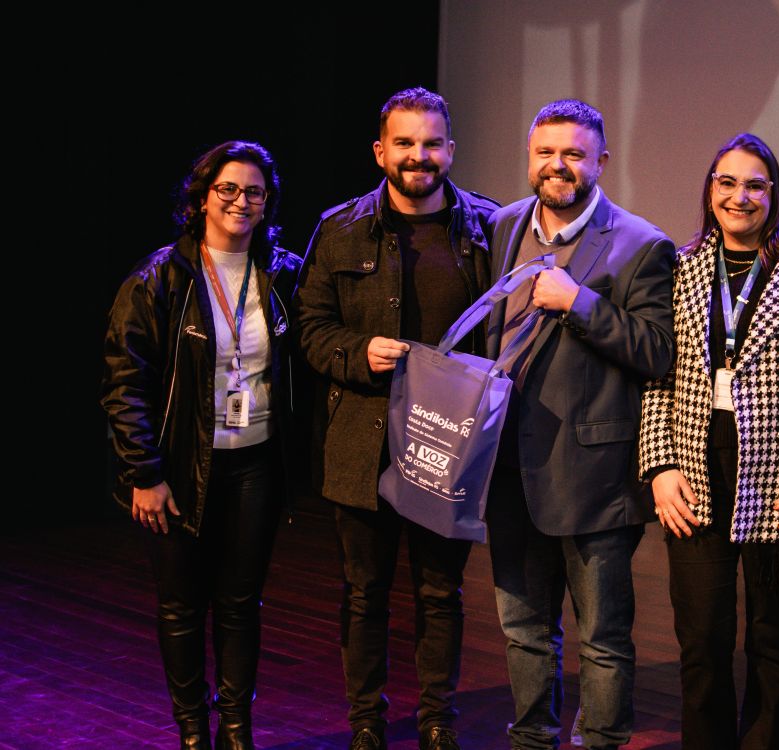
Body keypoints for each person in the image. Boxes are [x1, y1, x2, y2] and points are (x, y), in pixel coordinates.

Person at [294, 87, 496, 750]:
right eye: (404, 143)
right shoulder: (339, 228)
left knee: (440, 593)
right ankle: (366, 720)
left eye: (431, 143)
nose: (419, 156)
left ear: (450, 150)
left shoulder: (487, 231)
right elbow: (311, 329)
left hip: (448, 446)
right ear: (381, 150)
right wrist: (358, 353)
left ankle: (437, 718)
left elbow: (506, 335)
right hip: (364, 442)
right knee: (364, 594)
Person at [638, 133, 779, 749]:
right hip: (697, 470)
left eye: (754, 184)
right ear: (710, 191)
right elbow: (659, 376)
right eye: (726, 183)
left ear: (774, 193)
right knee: (701, 641)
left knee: (774, 641)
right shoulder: (679, 268)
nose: (740, 196)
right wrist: (659, 467)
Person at [484, 99, 674, 750]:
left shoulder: (641, 244)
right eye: (544, 152)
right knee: (523, 629)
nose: (556, 165)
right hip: (507, 471)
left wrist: (581, 304)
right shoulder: (505, 226)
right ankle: (531, 740)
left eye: (572, 153)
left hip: (594, 478)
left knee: (602, 639)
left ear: (600, 161)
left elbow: (656, 350)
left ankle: (599, 742)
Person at [102, 141, 300, 750]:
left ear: (268, 203)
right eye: (228, 190)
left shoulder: (285, 273)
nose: (242, 201)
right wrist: (143, 471)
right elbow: (123, 380)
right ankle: (192, 733)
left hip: (256, 463)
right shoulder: (157, 278)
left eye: (254, 192)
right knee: (181, 607)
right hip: (178, 467)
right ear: (202, 197)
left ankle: (236, 730)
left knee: (241, 603)